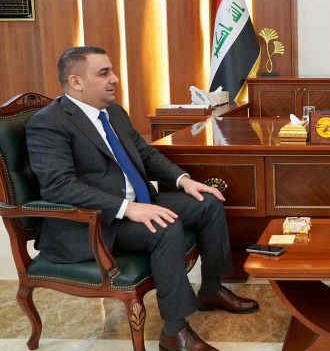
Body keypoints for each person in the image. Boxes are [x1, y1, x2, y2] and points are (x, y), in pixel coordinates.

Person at [26, 46, 259, 351]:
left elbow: (146, 154)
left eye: (112, 70)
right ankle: (174, 332)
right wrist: (127, 208)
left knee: (208, 203)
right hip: (95, 222)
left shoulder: (113, 112)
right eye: (104, 73)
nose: (115, 78)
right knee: (165, 228)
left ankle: (212, 289)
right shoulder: (49, 123)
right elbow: (59, 186)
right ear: (76, 81)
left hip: (138, 202)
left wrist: (184, 181)